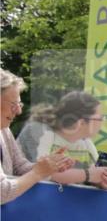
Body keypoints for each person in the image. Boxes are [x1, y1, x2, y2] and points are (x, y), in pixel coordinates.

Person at [1, 69, 74, 203]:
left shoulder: (4, 130)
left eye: (19, 104)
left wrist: (47, 166)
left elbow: (19, 167)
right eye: (14, 104)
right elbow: (2, 192)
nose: (19, 111)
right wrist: (38, 173)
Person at [32, 91, 107, 189]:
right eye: (100, 118)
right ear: (80, 123)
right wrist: (88, 175)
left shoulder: (86, 143)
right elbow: (38, 172)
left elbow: (95, 176)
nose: (102, 122)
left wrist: (104, 180)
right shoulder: (40, 131)